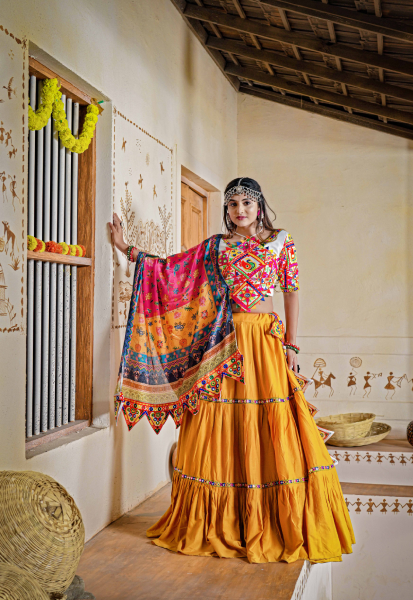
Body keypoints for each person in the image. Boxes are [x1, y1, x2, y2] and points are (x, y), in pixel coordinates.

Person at [109, 177, 355, 564]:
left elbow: (291, 290)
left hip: (264, 342)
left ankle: (274, 520)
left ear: (260, 205)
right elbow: (173, 270)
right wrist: (129, 250)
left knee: (271, 422)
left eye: (246, 202)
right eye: (232, 204)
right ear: (227, 210)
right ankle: (220, 520)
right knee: (216, 421)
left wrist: (291, 343)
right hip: (223, 341)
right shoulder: (216, 246)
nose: (239, 210)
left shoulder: (280, 241)